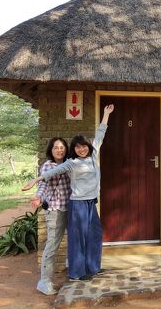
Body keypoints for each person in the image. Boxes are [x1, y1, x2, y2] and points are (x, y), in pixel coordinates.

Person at [23, 104, 115, 281]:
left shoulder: (94, 154)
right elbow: (51, 172)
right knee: (78, 238)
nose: (82, 149)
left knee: (94, 235)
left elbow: (101, 133)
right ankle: (76, 273)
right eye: (78, 147)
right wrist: (35, 180)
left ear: (88, 146)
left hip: (91, 203)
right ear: (74, 149)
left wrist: (106, 114)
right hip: (78, 204)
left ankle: (93, 267)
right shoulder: (71, 163)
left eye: (84, 146)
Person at [32, 137, 71, 296]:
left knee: (72, 241)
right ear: (51, 150)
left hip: (71, 207)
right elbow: (43, 184)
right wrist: (38, 197)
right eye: (56, 147)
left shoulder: (69, 164)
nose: (59, 150)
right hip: (54, 210)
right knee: (52, 245)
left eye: (62, 147)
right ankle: (44, 282)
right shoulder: (48, 165)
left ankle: (72, 271)